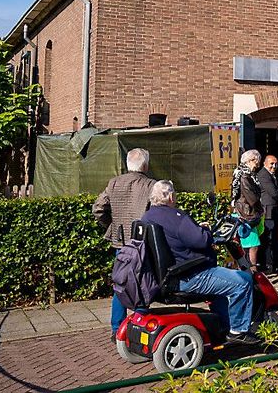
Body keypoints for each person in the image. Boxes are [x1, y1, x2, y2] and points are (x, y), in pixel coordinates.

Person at [141, 180, 258, 345]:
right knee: (243, 281)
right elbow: (201, 241)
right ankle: (238, 331)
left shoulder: (147, 216)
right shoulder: (176, 216)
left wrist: (197, 228)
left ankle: (224, 324)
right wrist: (205, 231)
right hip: (190, 275)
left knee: (223, 286)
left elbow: (179, 237)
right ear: (171, 196)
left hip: (165, 277)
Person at [92, 147, 156, 339]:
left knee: (120, 284)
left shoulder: (114, 183)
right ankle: (139, 326)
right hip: (142, 243)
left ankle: (116, 329)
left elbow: (98, 209)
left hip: (120, 242)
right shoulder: (151, 185)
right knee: (143, 285)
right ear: (145, 165)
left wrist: (111, 227)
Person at [231, 149, 264, 271]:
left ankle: (246, 271)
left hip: (243, 213)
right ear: (251, 160)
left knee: (246, 245)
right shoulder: (245, 176)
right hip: (246, 214)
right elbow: (252, 198)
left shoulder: (242, 173)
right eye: (257, 161)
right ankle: (252, 273)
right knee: (252, 245)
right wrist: (261, 210)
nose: (258, 164)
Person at [256, 155, 278, 274]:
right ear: (265, 163)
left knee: (271, 239)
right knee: (270, 239)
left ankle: (269, 265)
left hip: (272, 210)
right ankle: (270, 265)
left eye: (276, 164)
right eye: (272, 164)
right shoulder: (264, 175)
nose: (274, 166)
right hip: (268, 212)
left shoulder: (268, 174)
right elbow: (273, 192)